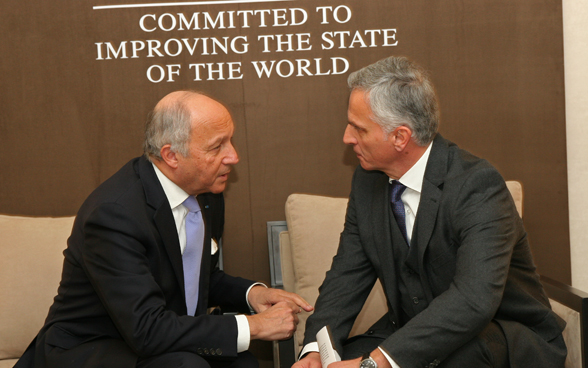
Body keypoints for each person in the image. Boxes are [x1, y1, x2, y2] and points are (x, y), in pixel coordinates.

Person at [292, 56, 566, 368]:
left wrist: (376, 363)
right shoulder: (367, 180)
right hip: (413, 332)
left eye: (359, 129)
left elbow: (473, 301)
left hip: (500, 335)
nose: (347, 138)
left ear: (400, 137)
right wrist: (314, 350)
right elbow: (347, 275)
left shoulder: (478, 186)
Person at [15, 90, 313, 368]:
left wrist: (252, 295)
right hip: (93, 347)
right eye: (217, 146)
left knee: (243, 362)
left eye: (231, 141)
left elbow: (194, 277)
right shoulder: (114, 215)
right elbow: (146, 329)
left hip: (160, 335)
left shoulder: (207, 191)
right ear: (171, 156)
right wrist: (254, 325)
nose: (233, 156)